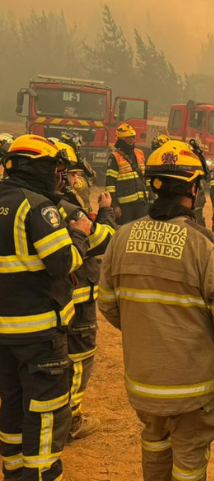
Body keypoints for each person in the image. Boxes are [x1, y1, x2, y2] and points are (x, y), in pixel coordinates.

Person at [98, 139, 214, 481]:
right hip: (192, 387)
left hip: (143, 382)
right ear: (194, 188)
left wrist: (144, 329)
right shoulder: (206, 245)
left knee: (154, 442)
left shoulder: (121, 237)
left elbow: (107, 303)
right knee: (190, 459)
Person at [0, 135, 88, 481]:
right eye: (55, 168)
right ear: (39, 168)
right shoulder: (37, 207)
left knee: (12, 403)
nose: (58, 176)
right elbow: (63, 262)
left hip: (4, 331)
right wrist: (79, 232)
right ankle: (40, 475)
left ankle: (14, 472)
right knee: (46, 411)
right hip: (39, 334)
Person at [50, 136, 116, 441]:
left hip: (57, 299)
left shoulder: (37, 202)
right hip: (78, 297)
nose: (78, 180)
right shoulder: (61, 206)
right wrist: (105, 212)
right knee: (78, 358)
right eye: (73, 174)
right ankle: (71, 421)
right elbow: (100, 239)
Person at [105, 122, 149, 225]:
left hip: (142, 203)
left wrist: (150, 198)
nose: (131, 140)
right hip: (125, 206)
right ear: (121, 140)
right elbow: (110, 184)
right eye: (128, 138)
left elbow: (146, 177)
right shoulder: (114, 157)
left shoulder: (140, 153)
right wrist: (115, 205)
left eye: (133, 137)